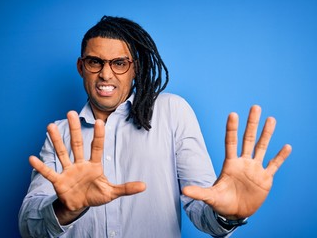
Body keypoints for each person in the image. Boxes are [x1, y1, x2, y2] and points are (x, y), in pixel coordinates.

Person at [18, 16, 292, 238]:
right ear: (81, 67)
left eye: (119, 63)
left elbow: (202, 208)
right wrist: (64, 208)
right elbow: (28, 228)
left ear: (135, 68)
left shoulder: (172, 112)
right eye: (95, 62)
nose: (106, 73)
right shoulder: (60, 134)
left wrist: (228, 214)